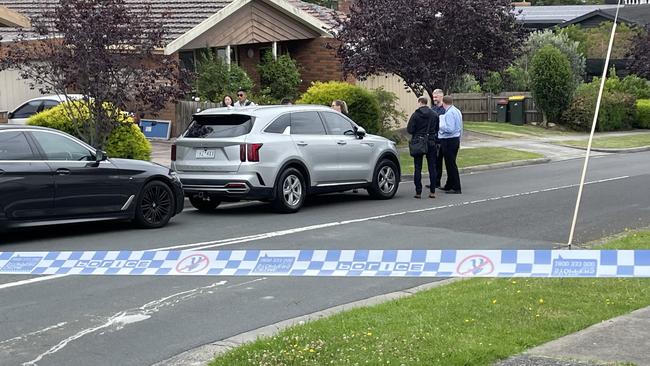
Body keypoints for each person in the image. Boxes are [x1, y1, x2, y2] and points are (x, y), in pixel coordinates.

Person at [407, 96, 438, 199]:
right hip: (431, 142)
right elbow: (437, 128)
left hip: (419, 142)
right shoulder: (434, 115)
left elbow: (410, 129)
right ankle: (432, 191)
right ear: (427, 102)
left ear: (420, 102)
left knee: (418, 167)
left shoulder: (415, 115)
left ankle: (418, 191)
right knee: (432, 167)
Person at [438, 95, 463, 194]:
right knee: (449, 163)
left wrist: (440, 126)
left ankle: (457, 187)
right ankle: (449, 185)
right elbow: (460, 127)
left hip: (449, 140)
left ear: (444, 103)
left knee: (451, 164)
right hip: (455, 139)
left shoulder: (449, 113)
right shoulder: (457, 111)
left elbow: (450, 129)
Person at [431, 89, 446, 189]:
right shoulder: (433, 108)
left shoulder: (444, 110)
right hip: (433, 138)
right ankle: (435, 182)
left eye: (436, 97)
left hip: (441, 139)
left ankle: (439, 181)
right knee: (435, 162)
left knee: (440, 161)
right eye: (433, 97)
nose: (434, 99)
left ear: (441, 97)